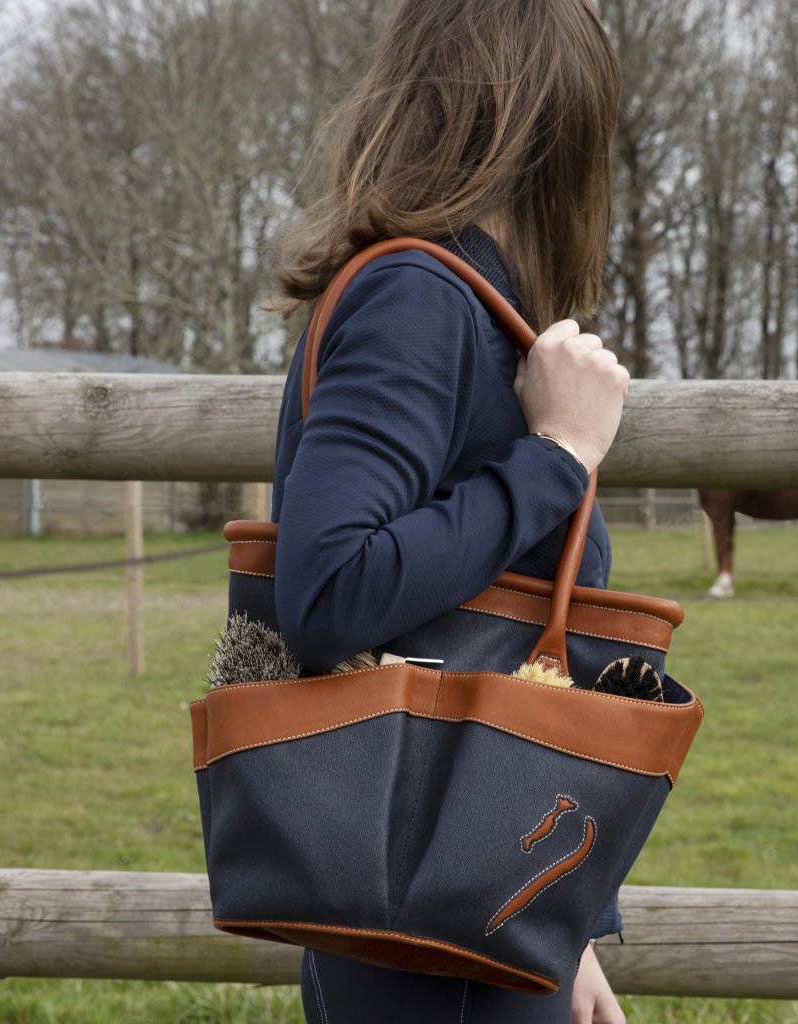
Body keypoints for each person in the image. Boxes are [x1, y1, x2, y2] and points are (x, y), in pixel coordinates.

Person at [270, 1, 629, 1020]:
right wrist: (555, 455)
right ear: (561, 125)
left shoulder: (475, 303)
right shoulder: (421, 302)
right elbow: (330, 590)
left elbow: (518, 640)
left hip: (465, 894)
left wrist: (563, 923)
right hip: (426, 909)